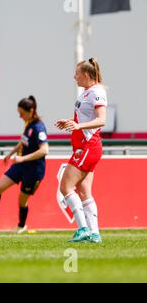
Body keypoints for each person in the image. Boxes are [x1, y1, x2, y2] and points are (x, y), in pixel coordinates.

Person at [55, 58, 106, 243]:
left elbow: (101, 120)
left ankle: (83, 228)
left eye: (76, 74)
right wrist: (70, 122)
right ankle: (95, 234)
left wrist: (78, 126)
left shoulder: (97, 92)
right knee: (84, 192)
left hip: (88, 146)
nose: (74, 77)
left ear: (85, 75)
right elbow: (86, 117)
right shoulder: (87, 92)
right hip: (84, 146)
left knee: (65, 187)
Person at [0, 96, 49, 233]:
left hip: (33, 171)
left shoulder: (39, 127)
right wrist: (10, 154)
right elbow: (23, 142)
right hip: (20, 166)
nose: (20, 116)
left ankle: (21, 226)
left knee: (22, 201)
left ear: (31, 110)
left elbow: (44, 150)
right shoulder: (28, 124)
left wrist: (23, 158)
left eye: (22, 113)